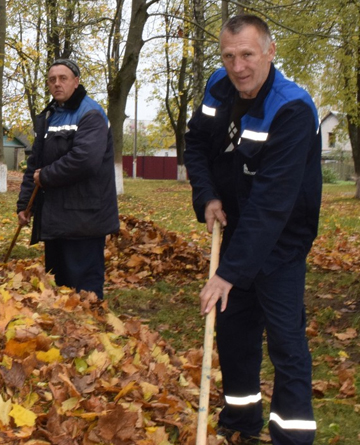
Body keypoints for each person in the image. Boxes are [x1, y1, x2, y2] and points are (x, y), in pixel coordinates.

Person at [184, 14, 321, 445]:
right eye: (229, 55)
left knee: (285, 340)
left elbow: (272, 204)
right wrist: (207, 196)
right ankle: (241, 422)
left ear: (269, 52)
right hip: (236, 227)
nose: (238, 66)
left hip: (281, 240)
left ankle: (291, 435)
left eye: (247, 54)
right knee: (234, 333)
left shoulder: (292, 108)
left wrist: (227, 273)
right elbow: (197, 145)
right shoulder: (217, 87)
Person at [16, 59, 119, 299]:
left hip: (84, 218)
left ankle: (92, 331)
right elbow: (36, 164)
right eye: (52, 80)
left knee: (84, 289)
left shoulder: (90, 113)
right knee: (58, 285)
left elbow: (85, 160)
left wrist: (47, 176)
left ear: (76, 81)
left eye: (63, 78)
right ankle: (66, 333)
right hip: (56, 218)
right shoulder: (50, 116)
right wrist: (25, 205)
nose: (57, 84)